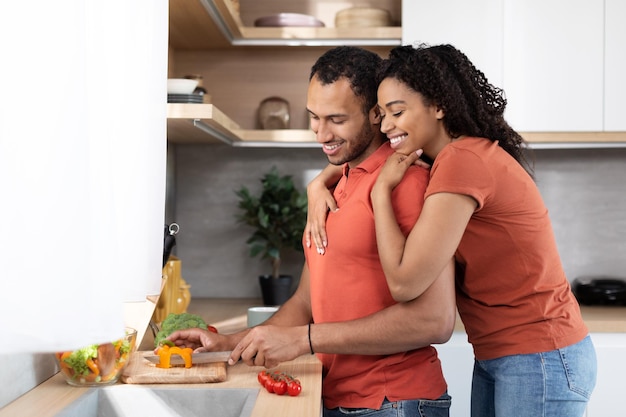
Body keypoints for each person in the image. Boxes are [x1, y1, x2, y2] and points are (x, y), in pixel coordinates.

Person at [305, 44, 597, 417]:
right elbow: (357, 165)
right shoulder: (448, 158)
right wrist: (319, 185)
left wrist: (381, 193)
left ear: (439, 106)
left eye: (397, 112)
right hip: (504, 352)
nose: (387, 125)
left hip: (540, 354)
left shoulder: (462, 162)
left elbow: (405, 283)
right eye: (383, 115)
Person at [164, 46, 456, 416]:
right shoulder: (334, 186)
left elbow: (434, 319)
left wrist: (304, 340)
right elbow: (306, 302)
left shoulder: (407, 184)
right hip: (337, 397)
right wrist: (228, 343)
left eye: (336, 119)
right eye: (314, 117)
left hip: (394, 401)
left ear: (376, 115)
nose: (321, 133)